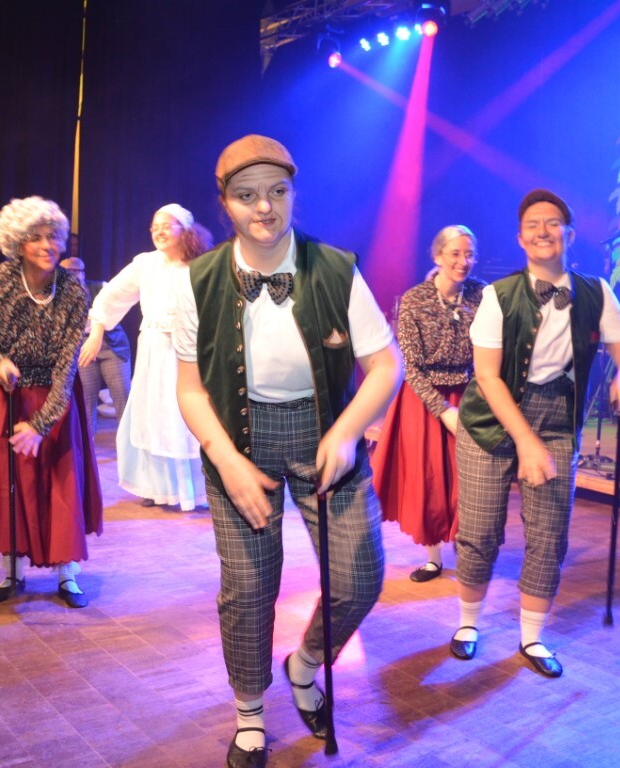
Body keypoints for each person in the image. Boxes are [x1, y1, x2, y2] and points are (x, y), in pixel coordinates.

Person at [173, 135, 403, 768]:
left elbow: (386, 366)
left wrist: (347, 430)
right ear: (225, 204)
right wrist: (226, 460)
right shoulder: (198, 281)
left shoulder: (335, 268)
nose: (264, 208)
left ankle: (305, 664)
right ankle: (250, 714)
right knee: (248, 588)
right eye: (247, 196)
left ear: (294, 193)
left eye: (277, 192)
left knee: (359, 577)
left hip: (325, 433)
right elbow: (190, 389)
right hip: (238, 440)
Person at [451, 189, 620, 678]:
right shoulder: (497, 296)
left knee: (549, 535)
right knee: (480, 532)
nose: (542, 230)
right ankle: (468, 624)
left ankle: (532, 638)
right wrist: (525, 441)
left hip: (558, 416)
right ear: (520, 238)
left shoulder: (596, 292)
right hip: (490, 419)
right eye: (533, 224)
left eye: (553, 222)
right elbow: (487, 377)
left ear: (569, 234)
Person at [0, 196, 102, 608]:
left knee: (61, 478)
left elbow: (66, 365)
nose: (48, 245)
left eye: (53, 237)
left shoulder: (72, 292)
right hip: (2, 392)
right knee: (7, 481)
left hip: (54, 395)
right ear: (18, 242)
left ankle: (67, 575)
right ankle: (12, 573)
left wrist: (42, 424)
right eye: (36, 237)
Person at [371, 225, 484, 582]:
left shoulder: (482, 295)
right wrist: (443, 410)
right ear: (437, 257)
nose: (463, 261)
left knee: (469, 476)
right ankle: (433, 557)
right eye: (455, 254)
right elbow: (411, 367)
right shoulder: (415, 299)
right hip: (424, 398)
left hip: (467, 393)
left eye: (469, 254)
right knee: (430, 478)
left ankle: (468, 547)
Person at [79, 204, 207, 511]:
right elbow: (110, 296)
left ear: (185, 230)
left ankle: (197, 490)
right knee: (154, 415)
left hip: (189, 351)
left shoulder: (202, 265)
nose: (158, 231)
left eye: (166, 225)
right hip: (154, 350)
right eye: (154, 227)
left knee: (185, 416)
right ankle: (156, 487)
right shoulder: (146, 264)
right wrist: (96, 332)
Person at [60, 256, 132, 429]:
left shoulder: (102, 288)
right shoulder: (58, 296)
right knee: (86, 399)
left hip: (111, 344)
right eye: (65, 272)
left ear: (82, 274)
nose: (70, 276)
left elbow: (117, 310)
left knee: (122, 395)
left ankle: (128, 442)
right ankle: (88, 441)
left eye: (75, 272)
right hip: (83, 346)